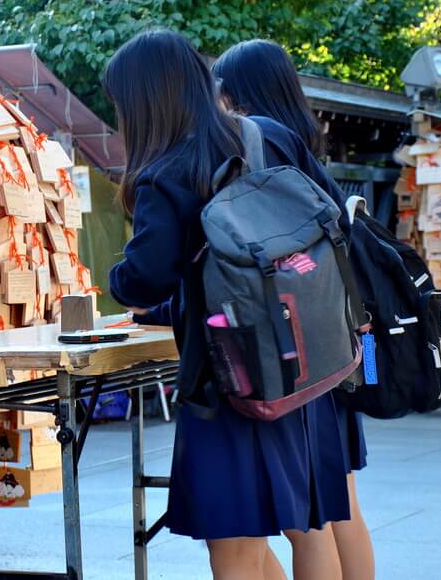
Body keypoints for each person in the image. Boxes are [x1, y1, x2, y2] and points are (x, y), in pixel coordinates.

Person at [106, 30, 351, 580]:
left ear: (143, 102)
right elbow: (333, 215)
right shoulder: (270, 135)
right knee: (308, 526)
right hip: (305, 355)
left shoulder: (167, 170)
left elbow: (144, 279)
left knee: (234, 543)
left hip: (231, 373)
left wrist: (115, 276)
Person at [213, 39, 375, 580]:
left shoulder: (260, 147)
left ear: (235, 94)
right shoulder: (303, 148)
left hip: (297, 348)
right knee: (339, 504)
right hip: (336, 341)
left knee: (313, 518)